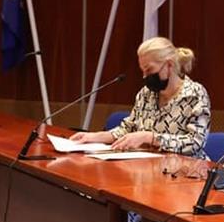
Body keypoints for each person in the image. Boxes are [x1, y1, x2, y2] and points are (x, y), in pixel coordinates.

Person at [71, 37, 211, 160]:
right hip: (147, 167)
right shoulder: (146, 93)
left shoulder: (195, 94)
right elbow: (128, 129)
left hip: (186, 172)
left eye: (149, 70)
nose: (145, 76)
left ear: (169, 65)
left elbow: (195, 142)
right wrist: (94, 137)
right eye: (143, 71)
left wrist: (150, 137)